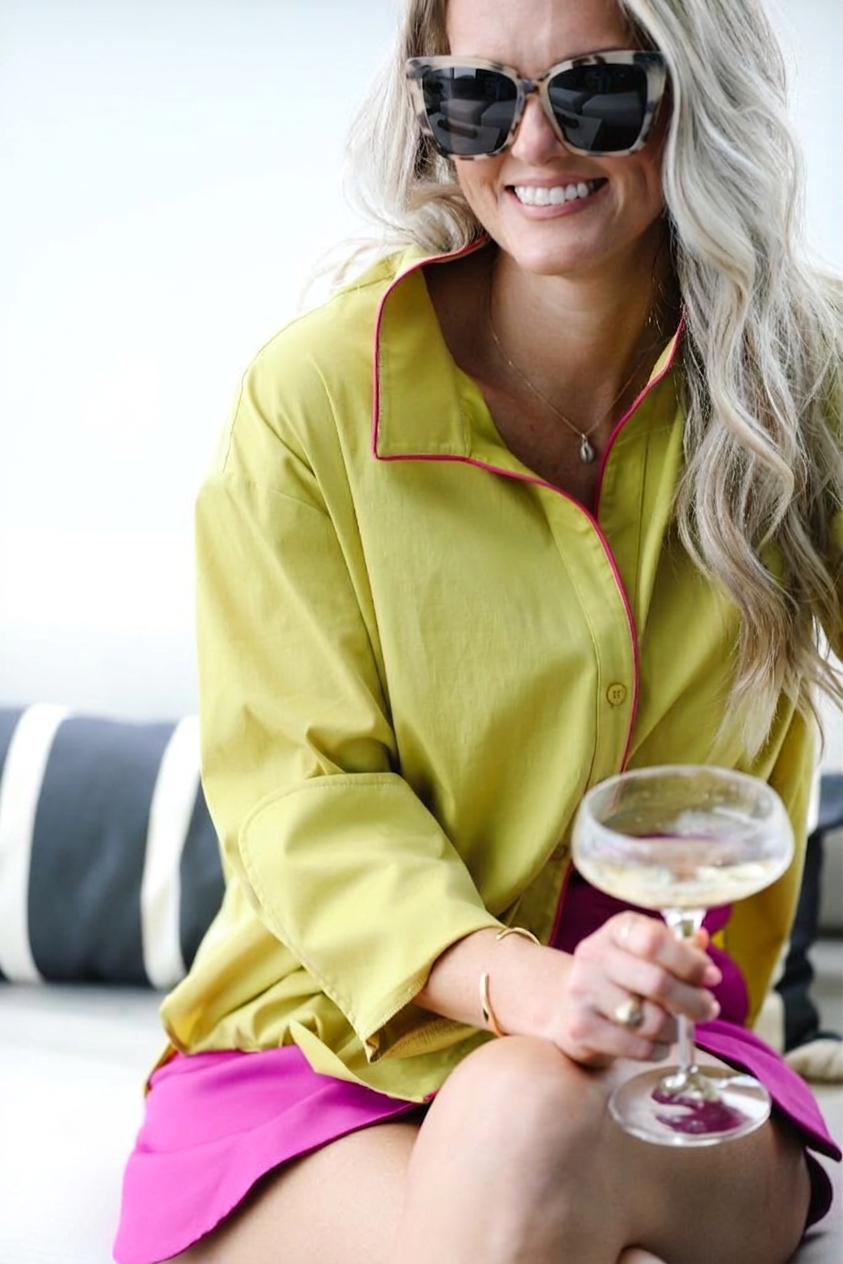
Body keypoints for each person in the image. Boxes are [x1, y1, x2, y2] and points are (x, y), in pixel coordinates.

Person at [114, 0, 843, 1260]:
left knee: (526, 1126)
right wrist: (540, 989)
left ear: (694, 93)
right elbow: (304, 796)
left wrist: (602, 1013)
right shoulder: (314, 403)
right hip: (325, 1048)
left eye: (597, 90)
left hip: (668, 1062)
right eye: (477, 97)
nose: (535, 145)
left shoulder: (801, 384)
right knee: (514, 1130)